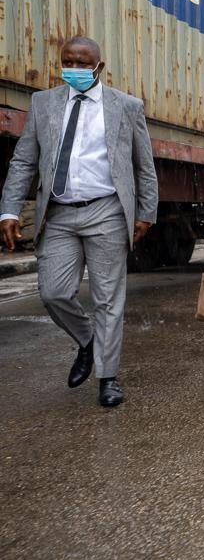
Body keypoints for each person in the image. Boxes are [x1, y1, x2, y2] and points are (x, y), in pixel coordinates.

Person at [0, 35, 158, 407]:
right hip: (57, 213)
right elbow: (23, 161)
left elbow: (143, 165)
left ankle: (108, 377)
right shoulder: (43, 103)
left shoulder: (126, 106)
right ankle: (88, 340)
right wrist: (8, 210)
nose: (73, 69)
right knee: (53, 292)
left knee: (108, 299)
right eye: (67, 62)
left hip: (107, 210)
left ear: (98, 67)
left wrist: (146, 212)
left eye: (82, 64)